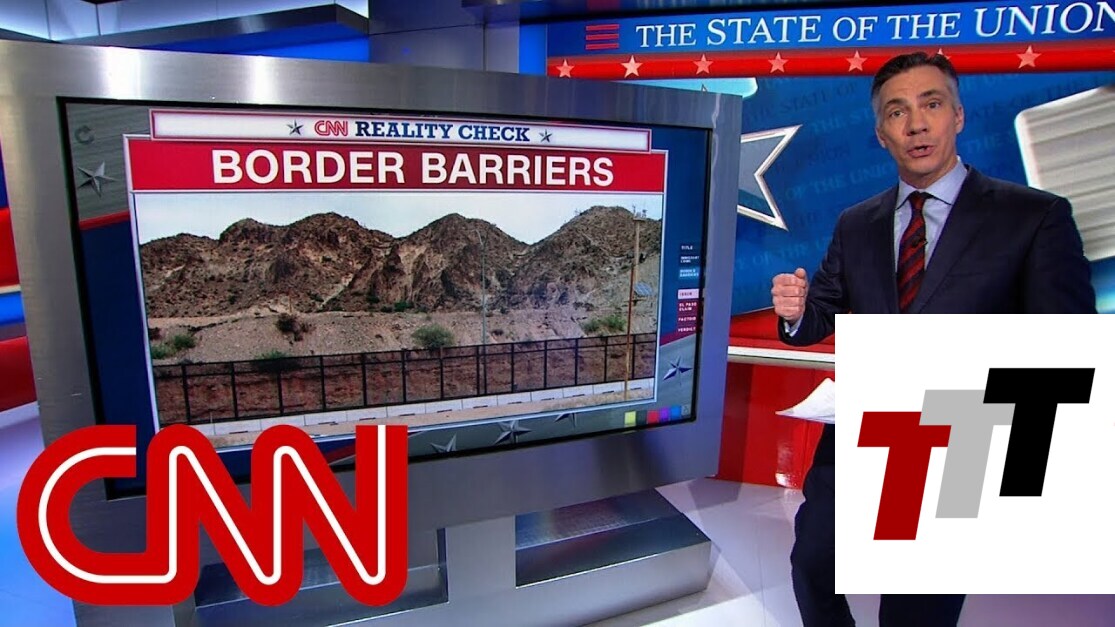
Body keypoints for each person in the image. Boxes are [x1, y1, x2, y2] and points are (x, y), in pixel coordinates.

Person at [770, 51, 1096, 627]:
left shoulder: (1034, 216)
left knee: (915, 610)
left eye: (932, 104)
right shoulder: (856, 223)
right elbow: (823, 311)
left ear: (958, 116)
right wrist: (797, 314)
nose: (916, 124)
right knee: (814, 566)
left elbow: (1065, 344)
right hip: (865, 430)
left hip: (961, 442)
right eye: (898, 112)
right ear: (881, 134)